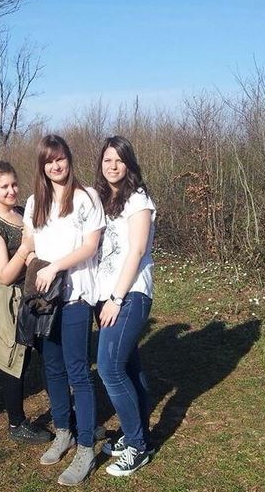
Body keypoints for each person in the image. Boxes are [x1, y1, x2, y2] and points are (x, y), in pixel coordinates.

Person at [23, 134, 105, 487]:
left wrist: (55, 267)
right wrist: (32, 262)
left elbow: (90, 246)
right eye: (49, 161)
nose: (55, 166)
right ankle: (63, 431)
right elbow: (29, 242)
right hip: (45, 300)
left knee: (78, 371)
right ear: (41, 166)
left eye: (60, 159)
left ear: (69, 159)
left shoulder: (86, 198)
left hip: (75, 296)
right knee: (52, 368)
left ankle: (86, 447)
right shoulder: (34, 202)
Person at [94, 136, 156, 477]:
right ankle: (139, 433)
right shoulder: (105, 199)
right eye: (107, 160)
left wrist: (116, 299)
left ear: (129, 164)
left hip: (130, 294)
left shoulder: (138, 199)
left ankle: (137, 446)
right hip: (108, 295)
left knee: (109, 369)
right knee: (130, 367)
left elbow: (136, 250)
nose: (113, 166)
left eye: (119, 160)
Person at [0, 161, 51, 444]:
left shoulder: (22, 213)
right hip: (12, 300)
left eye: (14, 184)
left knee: (43, 354)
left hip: (35, 296)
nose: (11, 191)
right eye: (4, 186)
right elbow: (4, 275)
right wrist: (25, 248)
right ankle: (16, 423)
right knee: (14, 361)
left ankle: (64, 412)